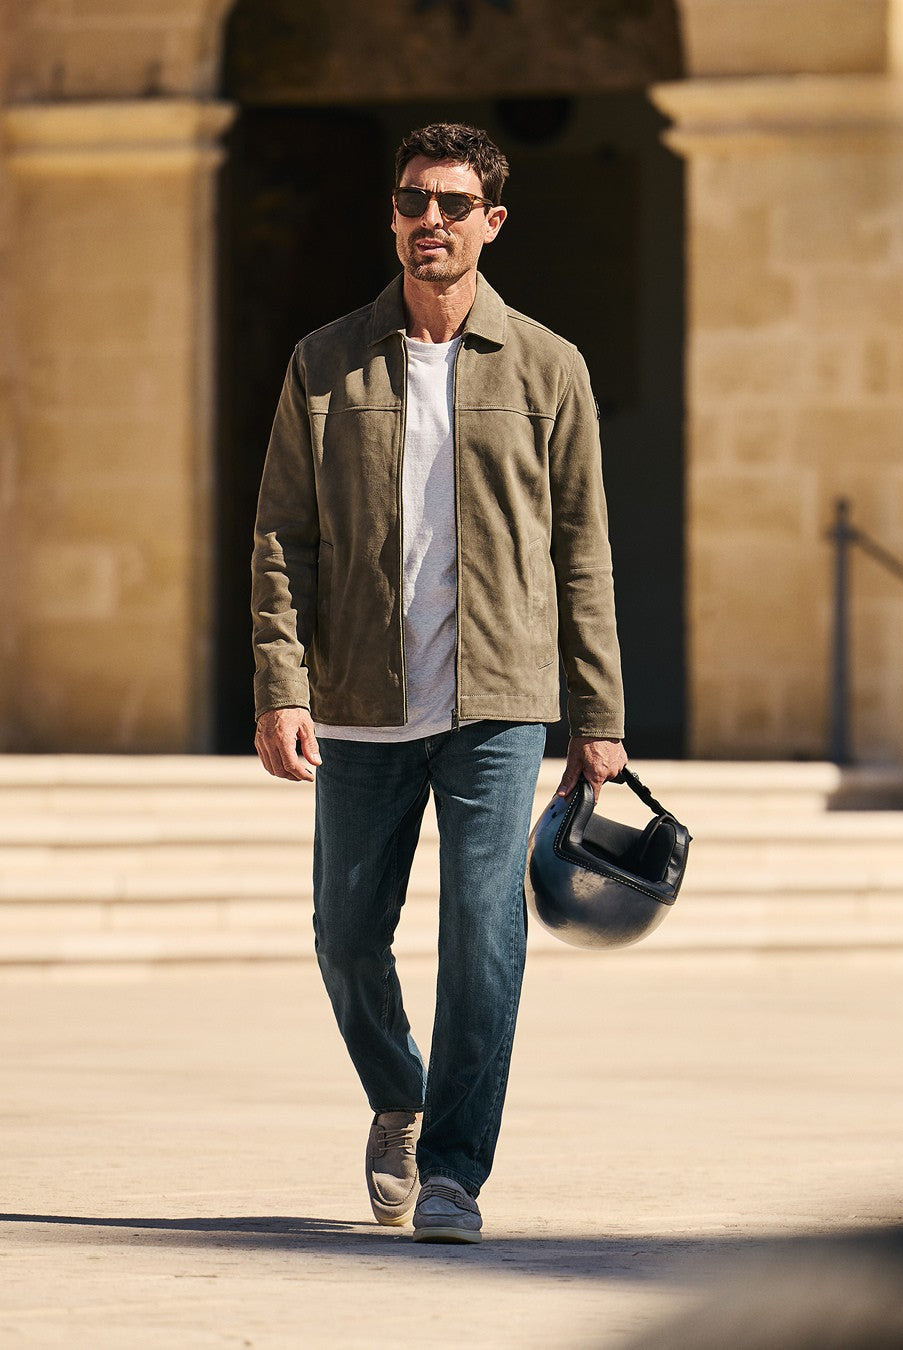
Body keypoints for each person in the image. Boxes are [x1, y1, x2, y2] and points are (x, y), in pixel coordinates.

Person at [251, 122, 627, 1244]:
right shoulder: (326, 361)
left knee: (483, 935)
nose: (430, 221)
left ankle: (456, 1171)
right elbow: (281, 536)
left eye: (454, 205)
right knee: (344, 936)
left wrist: (598, 714)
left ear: (491, 223)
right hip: (361, 697)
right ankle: (400, 1099)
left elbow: (584, 550)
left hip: (498, 701)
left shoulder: (549, 367)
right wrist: (281, 683)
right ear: (394, 215)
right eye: (414, 200)